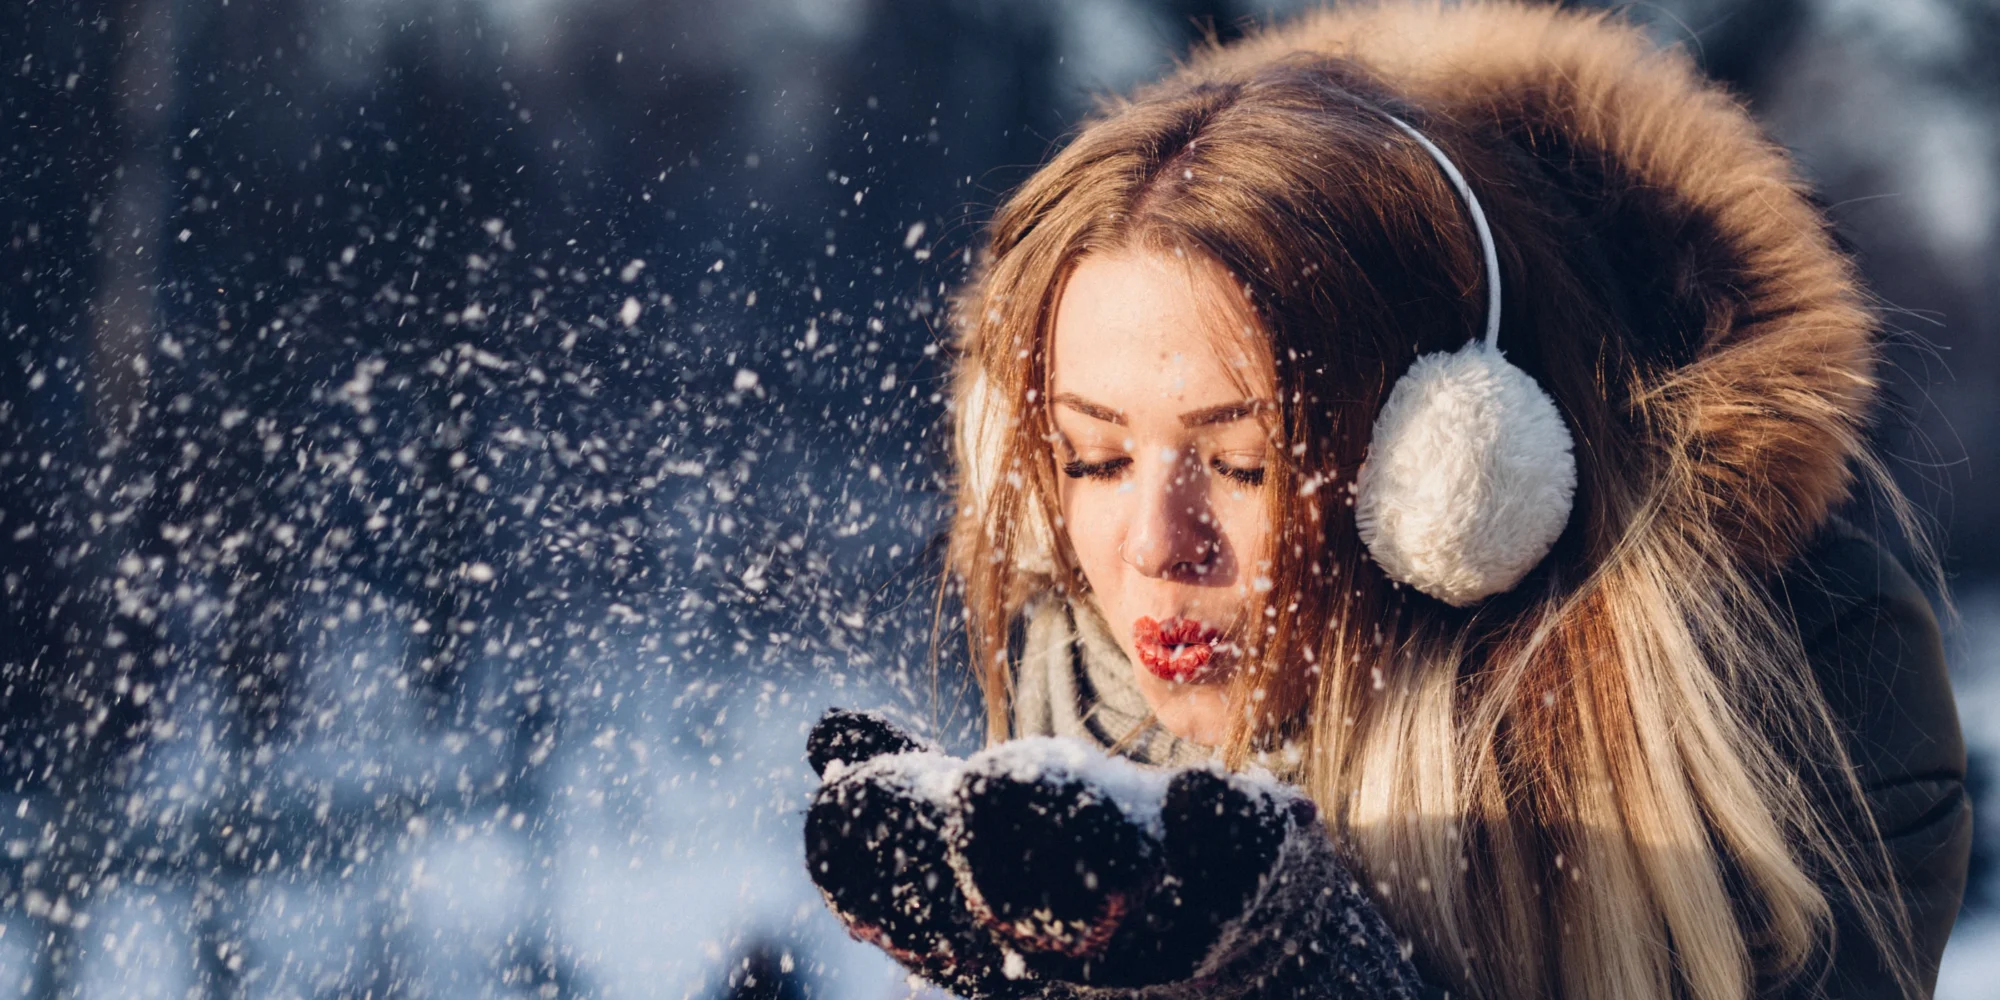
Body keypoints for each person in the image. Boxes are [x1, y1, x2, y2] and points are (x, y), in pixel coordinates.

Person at [801, 2, 1971, 998]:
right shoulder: (1073, 693)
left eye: (1243, 463)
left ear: (1454, 473)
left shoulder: (1787, 690)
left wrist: (1321, 971)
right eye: (1092, 460)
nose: (1157, 546)